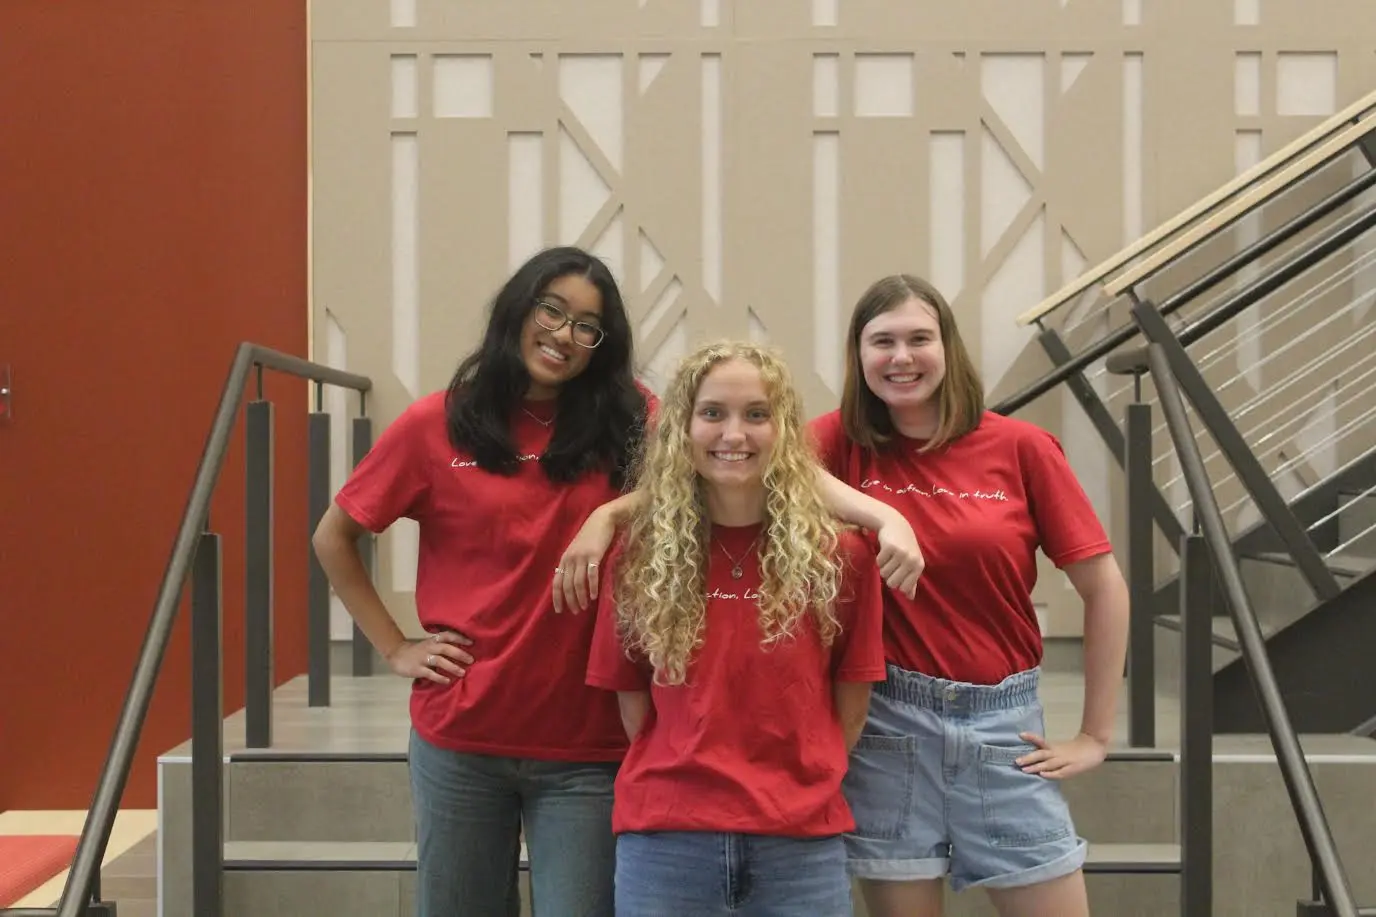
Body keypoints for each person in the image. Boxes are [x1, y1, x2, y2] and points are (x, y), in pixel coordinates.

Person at [311, 246, 655, 917]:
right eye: (551, 310)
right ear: (517, 310)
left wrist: (609, 514)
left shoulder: (632, 420)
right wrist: (396, 647)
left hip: (589, 745)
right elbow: (333, 537)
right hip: (462, 739)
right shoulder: (436, 424)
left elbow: (707, 477)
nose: (564, 334)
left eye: (587, 326)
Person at [807, 274, 1130, 917]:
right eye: (882, 341)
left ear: (947, 347)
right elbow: (752, 467)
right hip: (887, 726)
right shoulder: (836, 443)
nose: (901, 357)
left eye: (919, 339)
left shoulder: (1020, 447)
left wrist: (1095, 734)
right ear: (859, 354)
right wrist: (884, 516)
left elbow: (1104, 588)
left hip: (1004, 729)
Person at [585, 341, 888, 917]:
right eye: (712, 413)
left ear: (784, 430)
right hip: (667, 844)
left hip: (799, 846)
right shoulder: (638, 557)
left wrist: (793, 787)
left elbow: (851, 704)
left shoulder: (841, 557)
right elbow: (633, 705)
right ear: (682, 428)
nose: (734, 434)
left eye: (756, 414)